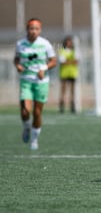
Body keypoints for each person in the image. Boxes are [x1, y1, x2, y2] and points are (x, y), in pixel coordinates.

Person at [14, 18, 57, 150]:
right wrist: (18, 66)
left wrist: (44, 68)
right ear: (27, 29)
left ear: (40, 30)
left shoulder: (45, 44)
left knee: (37, 112)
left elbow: (53, 61)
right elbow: (16, 59)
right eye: (31, 28)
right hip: (26, 80)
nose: (34, 31)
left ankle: (34, 140)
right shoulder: (20, 44)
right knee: (25, 111)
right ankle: (27, 127)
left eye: (36, 28)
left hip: (41, 82)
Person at [58, 35, 79, 113]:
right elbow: (62, 62)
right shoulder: (62, 50)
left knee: (72, 91)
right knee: (63, 91)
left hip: (73, 73)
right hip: (64, 74)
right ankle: (62, 106)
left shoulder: (74, 51)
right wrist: (71, 62)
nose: (69, 43)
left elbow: (77, 61)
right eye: (68, 41)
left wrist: (68, 61)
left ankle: (72, 106)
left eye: (70, 41)